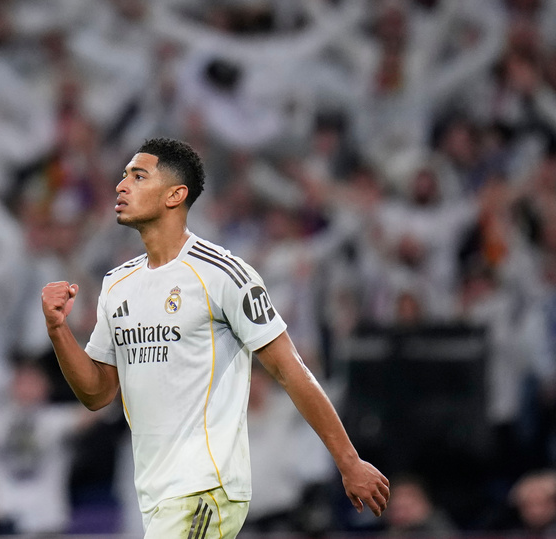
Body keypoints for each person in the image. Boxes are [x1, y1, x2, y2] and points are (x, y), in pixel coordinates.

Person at [41, 137, 390, 538]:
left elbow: (289, 369)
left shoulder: (224, 274)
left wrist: (349, 462)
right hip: (155, 491)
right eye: (123, 176)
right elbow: (97, 393)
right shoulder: (118, 284)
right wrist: (58, 331)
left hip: (207, 487)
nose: (121, 186)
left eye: (138, 176)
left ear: (176, 195)